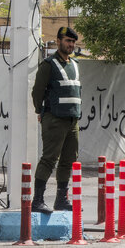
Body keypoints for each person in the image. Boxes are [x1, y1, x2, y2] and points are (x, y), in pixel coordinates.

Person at [30, 26, 81, 214]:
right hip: (54, 119)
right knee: (49, 159)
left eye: (73, 42)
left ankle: (61, 200)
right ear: (58, 41)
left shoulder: (75, 64)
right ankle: (37, 200)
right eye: (68, 41)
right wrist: (40, 111)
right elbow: (37, 91)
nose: (71, 44)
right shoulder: (48, 65)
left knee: (69, 160)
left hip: (72, 120)